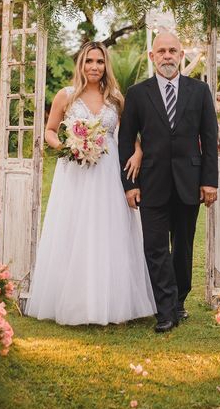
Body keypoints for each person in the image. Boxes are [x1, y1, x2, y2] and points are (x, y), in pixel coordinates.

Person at [25, 41, 156, 325]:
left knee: (110, 229)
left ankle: (113, 300)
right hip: (76, 170)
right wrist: (65, 147)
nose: (94, 67)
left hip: (108, 170)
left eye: (99, 61)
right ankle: (76, 301)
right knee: (75, 229)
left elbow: (128, 135)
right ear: (81, 64)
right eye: (89, 61)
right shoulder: (66, 95)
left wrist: (138, 151)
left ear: (105, 65)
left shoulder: (115, 98)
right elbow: (48, 130)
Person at [119, 32, 219, 333]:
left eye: (172, 50)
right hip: (151, 182)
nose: (167, 56)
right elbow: (126, 139)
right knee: (155, 247)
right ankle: (164, 310)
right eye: (161, 51)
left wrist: (209, 182)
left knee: (183, 248)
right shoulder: (137, 93)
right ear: (152, 56)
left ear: (181, 55)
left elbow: (209, 137)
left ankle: (178, 301)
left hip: (190, 182)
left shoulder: (200, 91)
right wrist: (130, 184)